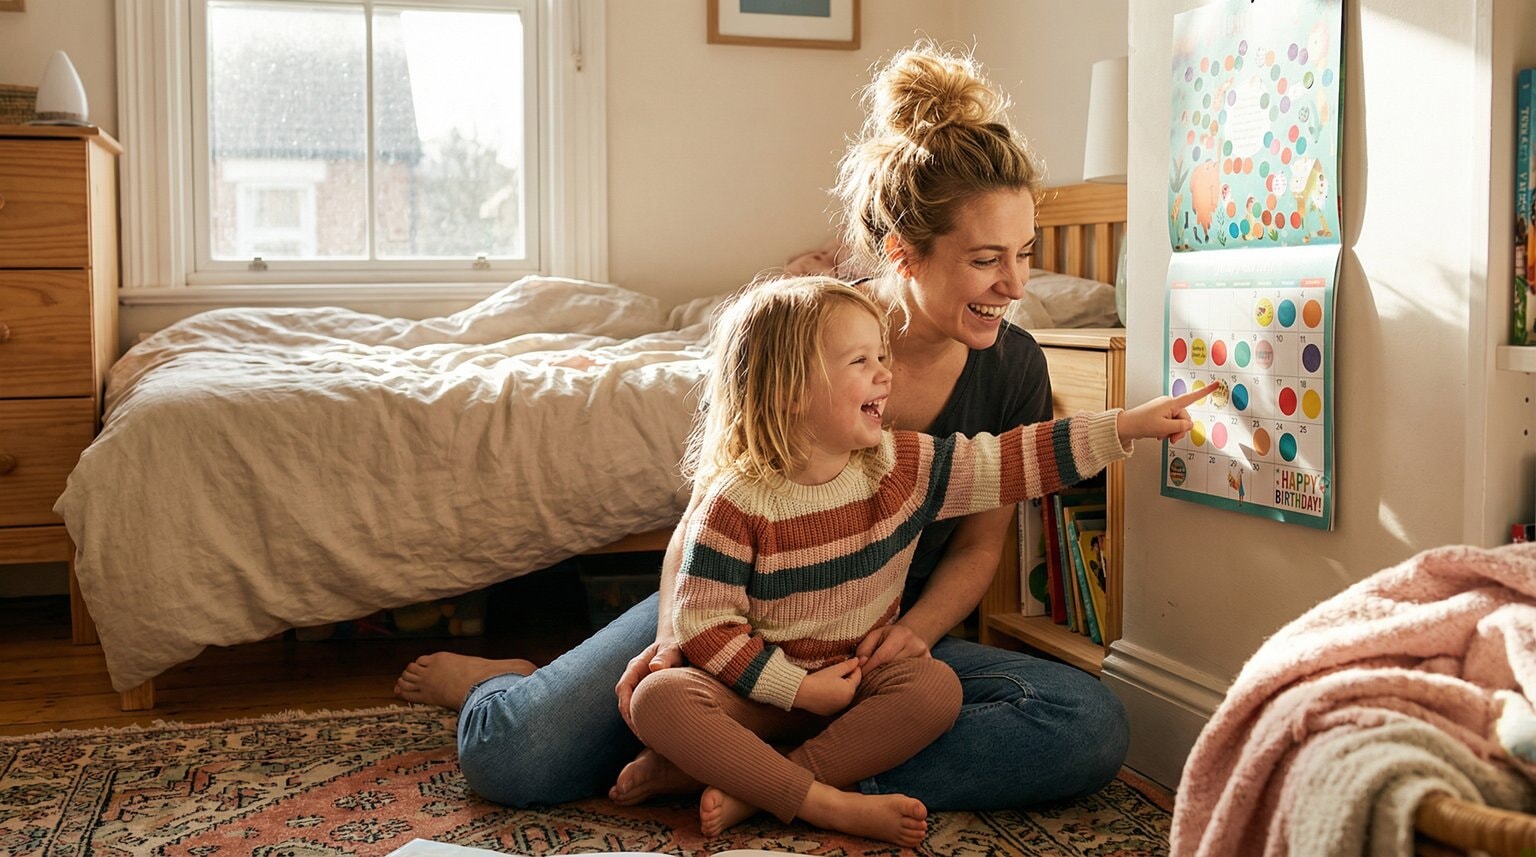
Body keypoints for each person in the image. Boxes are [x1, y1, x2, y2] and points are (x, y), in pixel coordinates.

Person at [395, 40, 1140, 812]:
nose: (1016, 286)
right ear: (904, 253)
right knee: (516, 756)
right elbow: (708, 503)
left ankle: (750, 767)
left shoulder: (1015, 365)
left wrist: (911, 634)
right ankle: (512, 684)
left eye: (1025, 254)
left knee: (1085, 724)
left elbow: (984, 539)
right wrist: (679, 630)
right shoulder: (797, 331)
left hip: (879, 643)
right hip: (737, 616)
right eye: (989, 259)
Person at [627, 276, 1205, 845]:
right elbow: (707, 625)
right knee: (660, 698)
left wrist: (1124, 426)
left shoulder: (900, 465)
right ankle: (823, 802)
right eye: (861, 361)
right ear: (790, 389)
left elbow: (1006, 461)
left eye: (883, 355)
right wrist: (797, 691)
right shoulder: (734, 502)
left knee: (933, 688)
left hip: (861, 679)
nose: (886, 373)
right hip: (759, 692)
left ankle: (764, 785)